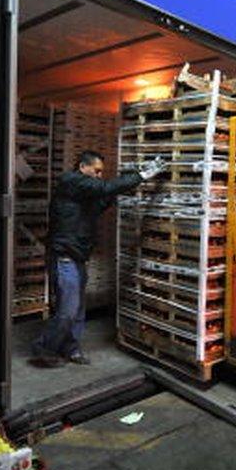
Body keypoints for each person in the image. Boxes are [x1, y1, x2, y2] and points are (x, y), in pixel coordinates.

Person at [31, 151, 166, 368]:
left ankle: (70, 348)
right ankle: (44, 348)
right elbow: (103, 188)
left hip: (77, 257)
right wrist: (142, 174)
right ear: (83, 167)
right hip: (64, 256)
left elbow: (102, 200)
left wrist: (127, 184)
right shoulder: (70, 181)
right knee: (67, 309)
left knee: (78, 310)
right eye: (96, 171)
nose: (99, 175)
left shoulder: (82, 195)